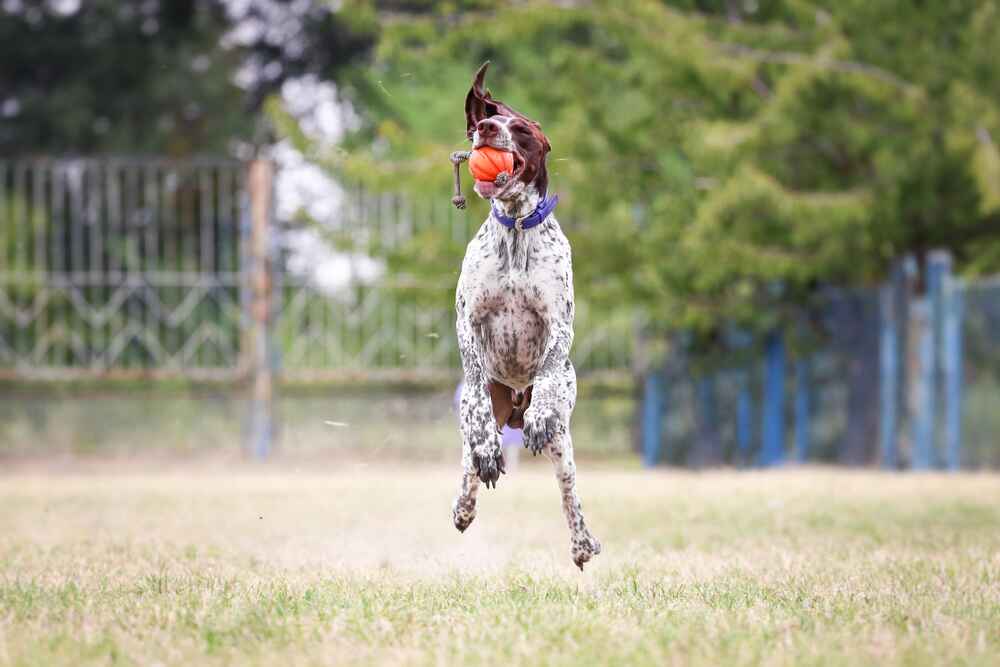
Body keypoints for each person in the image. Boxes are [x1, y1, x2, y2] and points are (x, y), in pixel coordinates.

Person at [453, 380, 521, 473]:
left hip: (499, 417)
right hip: (486, 421)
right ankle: (483, 466)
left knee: (508, 443)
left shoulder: (496, 381)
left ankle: (508, 466)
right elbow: (461, 406)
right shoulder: (467, 385)